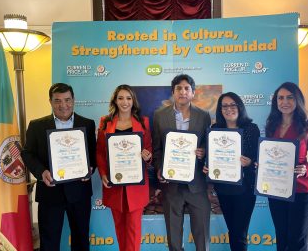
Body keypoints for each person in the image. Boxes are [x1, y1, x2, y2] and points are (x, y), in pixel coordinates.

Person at [21, 83, 96, 251]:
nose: (63, 105)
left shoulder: (88, 124)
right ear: (50, 101)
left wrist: (90, 168)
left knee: (81, 240)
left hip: (79, 193)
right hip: (50, 194)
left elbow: (93, 154)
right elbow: (27, 153)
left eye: (67, 100)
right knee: (49, 242)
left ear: (74, 100)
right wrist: (41, 172)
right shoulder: (37, 125)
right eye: (58, 101)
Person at [153, 74, 211, 251]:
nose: (183, 92)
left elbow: (208, 144)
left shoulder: (204, 116)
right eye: (179, 88)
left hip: (197, 185)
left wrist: (203, 152)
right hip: (171, 186)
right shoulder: (159, 116)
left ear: (193, 93)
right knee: (174, 239)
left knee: (202, 237)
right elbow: (157, 148)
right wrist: (159, 168)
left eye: (187, 88)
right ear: (173, 92)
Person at [265, 82, 308, 251]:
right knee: (281, 236)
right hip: (276, 189)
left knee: (297, 240)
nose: (284, 102)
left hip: (301, 190)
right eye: (280, 98)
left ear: (297, 100)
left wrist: (307, 168)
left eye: (289, 97)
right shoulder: (272, 125)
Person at [96, 84, 152, 251]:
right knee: (120, 230)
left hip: (136, 186)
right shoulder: (105, 122)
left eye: (128, 98)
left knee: (134, 231)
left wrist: (147, 156)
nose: (125, 102)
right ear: (115, 100)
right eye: (120, 98)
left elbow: (148, 148)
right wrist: (103, 174)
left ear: (133, 101)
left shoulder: (144, 122)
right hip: (114, 186)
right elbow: (99, 152)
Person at [204, 92, 260, 251]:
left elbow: (258, 161)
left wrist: (249, 163)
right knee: (233, 231)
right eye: (224, 106)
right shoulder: (215, 129)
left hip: (245, 190)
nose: (229, 109)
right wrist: (207, 168)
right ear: (220, 110)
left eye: (233, 105)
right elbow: (211, 156)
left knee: (239, 233)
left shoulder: (251, 129)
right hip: (223, 189)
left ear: (240, 107)